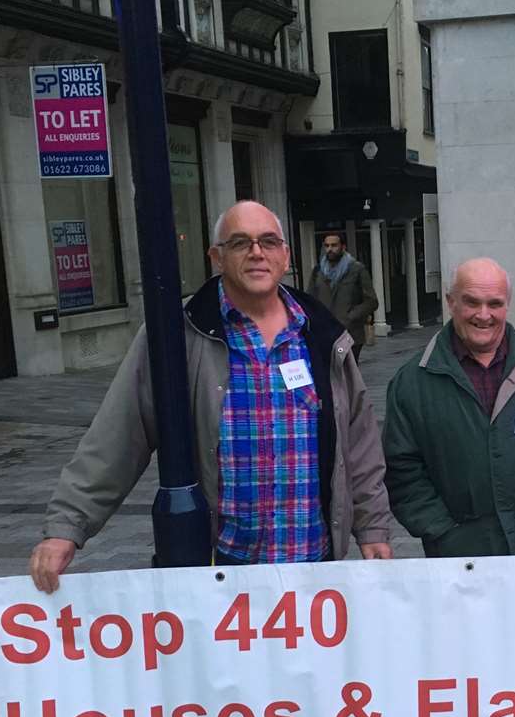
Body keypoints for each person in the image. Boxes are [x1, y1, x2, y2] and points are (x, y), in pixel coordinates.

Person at [29, 200, 393, 593]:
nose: (257, 252)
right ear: (216, 256)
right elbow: (118, 433)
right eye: (240, 243)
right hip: (221, 572)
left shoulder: (321, 334)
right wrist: (68, 526)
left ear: (286, 256)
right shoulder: (178, 334)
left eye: (269, 242)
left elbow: (358, 443)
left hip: (313, 565)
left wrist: (372, 526)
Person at [383, 258, 515, 556]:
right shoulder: (413, 380)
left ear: (507, 305)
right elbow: (402, 470)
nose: (483, 315)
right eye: (471, 302)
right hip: (458, 558)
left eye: (494, 303)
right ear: (450, 302)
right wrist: (442, 532)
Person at [308, 231, 379, 362]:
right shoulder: (318, 271)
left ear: (343, 246)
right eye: (327, 246)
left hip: (350, 333)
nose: (330, 249)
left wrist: (350, 316)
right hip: (325, 332)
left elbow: (372, 301)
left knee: (349, 375)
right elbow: (309, 300)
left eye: (334, 245)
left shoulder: (357, 270)